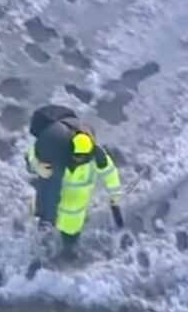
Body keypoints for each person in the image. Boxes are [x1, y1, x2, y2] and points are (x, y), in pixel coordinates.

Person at [24, 104, 124, 258]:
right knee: (42, 237)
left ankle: (68, 250)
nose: (79, 159)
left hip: (74, 215)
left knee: (70, 238)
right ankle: (43, 249)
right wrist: (37, 166)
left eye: (83, 157)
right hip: (47, 208)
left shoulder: (98, 157)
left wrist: (115, 194)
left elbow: (110, 173)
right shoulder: (56, 148)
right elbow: (32, 152)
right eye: (76, 156)